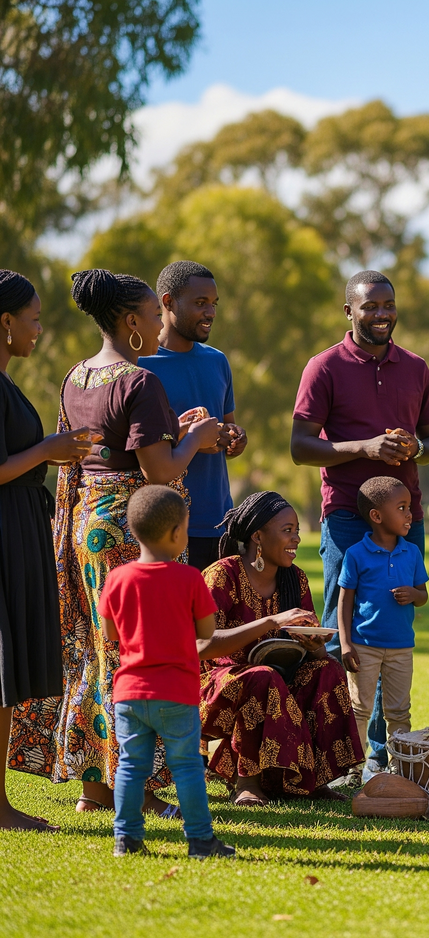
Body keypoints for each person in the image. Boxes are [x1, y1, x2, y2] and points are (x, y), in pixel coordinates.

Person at [9, 268, 220, 816]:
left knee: (95, 651)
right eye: (153, 316)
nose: (157, 326)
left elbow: (78, 453)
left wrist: (179, 430)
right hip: (130, 529)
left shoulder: (76, 376)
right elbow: (157, 469)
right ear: (131, 322)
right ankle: (137, 787)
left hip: (84, 527)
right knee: (133, 653)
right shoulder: (140, 381)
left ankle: (95, 788)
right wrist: (197, 438)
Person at [291, 269, 429, 772]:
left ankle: (384, 756)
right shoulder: (325, 367)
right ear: (349, 311)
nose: (382, 314)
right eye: (370, 306)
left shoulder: (416, 368)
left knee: (393, 624)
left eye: (388, 305)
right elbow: (300, 446)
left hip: (405, 517)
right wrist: (365, 447)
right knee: (344, 626)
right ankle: (338, 755)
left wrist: (414, 448)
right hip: (347, 519)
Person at [0, 270, 95, 832]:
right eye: (33, 318)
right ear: (5, 321)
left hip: (20, 526)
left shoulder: (8, 383)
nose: (39, 328)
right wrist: (48, 450)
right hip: (4, 529)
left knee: (8, 674)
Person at [199, 491, 364, 805]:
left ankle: (312, 781)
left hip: (278, 678)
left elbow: (312, 656)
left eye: (297, 530)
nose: (297, 538)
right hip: (212, 686)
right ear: (258, 536)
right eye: (287, 530)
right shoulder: (222, 575)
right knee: (262, 677)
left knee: (328, 669)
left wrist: (315, 644)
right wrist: (271, 622)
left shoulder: (295, 579)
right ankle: (248, 783)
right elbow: (200, 645)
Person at [100, 486, 235, 859]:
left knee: (130, 765)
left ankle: (126, 839)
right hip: (176, 691)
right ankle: (200, 840)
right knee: (187, 767)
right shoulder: (189, 578)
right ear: (177, 532)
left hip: (130, 693)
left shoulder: (117, 579)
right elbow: (207, 632)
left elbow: (111, 634)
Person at [139, 260, 247, 573]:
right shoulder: (141, 366)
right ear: (168, 302)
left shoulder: (218, 361)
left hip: (220, 525)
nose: (210, 312)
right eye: (200, 303)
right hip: (164, 527)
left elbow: (227, 426)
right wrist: (192, 438)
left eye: (213, 304)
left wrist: (234, 438)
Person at [338, 477, 428, 759]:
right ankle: (353, 767)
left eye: (409, 507)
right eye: (401, 507)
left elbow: (423, 596)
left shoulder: (411, 552)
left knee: (399, 711)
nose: (409, 514)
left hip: (402, 647)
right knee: (359, 708)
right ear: (376, 516)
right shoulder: (355, 554)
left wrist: (413, 594)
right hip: (364, 645)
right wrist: (345, 643)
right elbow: (345, 601)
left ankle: (399, 768)